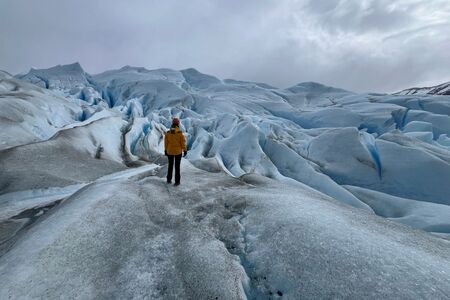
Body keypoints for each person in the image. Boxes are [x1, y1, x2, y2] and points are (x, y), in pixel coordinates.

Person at [164, 117, 187, 186]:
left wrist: (165, 150)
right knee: (177, 167)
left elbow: (166, 143)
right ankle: (177, 181)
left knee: (170, 166)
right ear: (178, 124)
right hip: (178, 152)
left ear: (172, 124)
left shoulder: (168, 133)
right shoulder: (180, 134)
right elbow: (183, 143)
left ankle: (169, 179)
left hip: (170, 152)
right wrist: (185, 150)